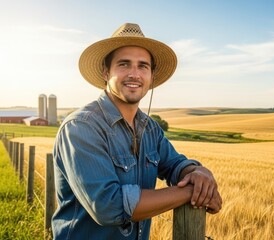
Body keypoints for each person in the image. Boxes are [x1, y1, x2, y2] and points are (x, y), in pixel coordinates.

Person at [52, 23, 222, 239]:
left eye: (143, 66)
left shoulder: (150, 128)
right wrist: (192, 192)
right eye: (124, 64)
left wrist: (200, 173)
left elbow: (175, 165)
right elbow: (109, 207)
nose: (134, 74)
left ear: (151, 76)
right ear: (106, 72)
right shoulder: (81, 127)